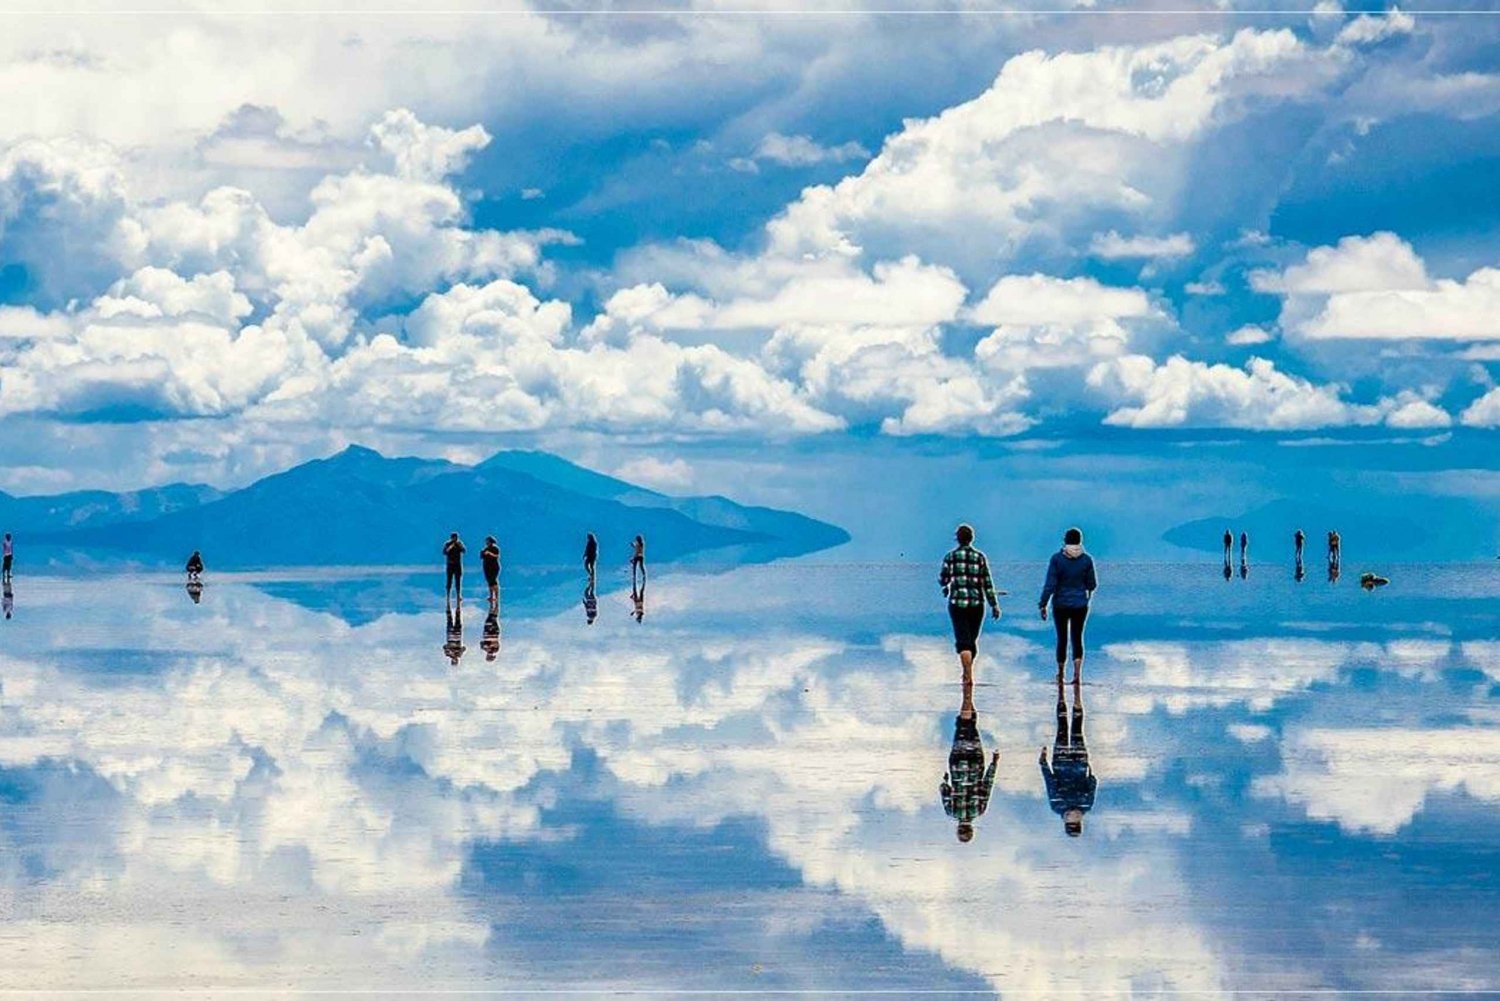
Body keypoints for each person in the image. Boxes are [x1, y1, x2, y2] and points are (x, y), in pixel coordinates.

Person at [939, 523, 1001, 686]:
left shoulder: (950, 557)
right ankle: (968, 673)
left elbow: (943, 579)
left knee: (963, 640)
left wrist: (946, 584)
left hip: (957, 603)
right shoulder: (980, 557)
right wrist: (994, 604)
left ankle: (967, 674)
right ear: (971, 539)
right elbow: (987, 583)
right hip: (976, 605)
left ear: (957, 539)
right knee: (971, 641)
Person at [941, 677, 998, 844]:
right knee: (963, 727)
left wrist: (994, 764)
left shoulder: (978, 810)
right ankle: (967, 694)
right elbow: (944, 790)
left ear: (971, 828)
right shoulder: (951, 811)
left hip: (975, 763)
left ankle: (968, 694)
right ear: (959, 828)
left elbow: (987, 785)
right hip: (957, 764)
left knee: (970, 727)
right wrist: (945, 781)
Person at [1040, 675, 1096, 837]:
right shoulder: (1081, 805)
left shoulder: (1065, 806)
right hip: (1066, 763)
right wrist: (1043, 764)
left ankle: (1067, 697)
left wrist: (1044, 764)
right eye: (1075, 820)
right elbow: (1092, 783)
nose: (1073, 816)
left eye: (1072, 820)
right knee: (1069, 729)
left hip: (1069, 763)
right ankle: (1067, 697)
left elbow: (1051, 783)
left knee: (1069, 729)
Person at [1039, 527, 1097, 684]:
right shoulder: (1087, 560)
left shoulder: (1057, 559)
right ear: (1080, 541)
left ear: (1065, 541)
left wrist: (1043, 604)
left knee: (1062, 639)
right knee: (1077, 638)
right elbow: (1092, 584)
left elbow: (1050, 585)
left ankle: (1061, 674)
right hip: (1080, 605)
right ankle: (1077, 675)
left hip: (1060, 605)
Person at [443, 532, 465, 600]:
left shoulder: (459, 543)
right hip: (450, 565)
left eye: (456, 538)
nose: (455, 539)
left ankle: (458, 595)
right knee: (449, 581)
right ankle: (448, 595)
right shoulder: (447, 544)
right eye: (454, 538)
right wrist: (450, 547)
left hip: (457, 565)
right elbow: (444, 552)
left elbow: (464, 550)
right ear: (451, 538)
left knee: (458, 581)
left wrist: (459, 545)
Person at [443, 598, 466, 665]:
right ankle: (458, 604)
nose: (454, 659)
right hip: (458, 634)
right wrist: (458, 650)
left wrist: (450, 650)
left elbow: (444, 646)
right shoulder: (459, 654)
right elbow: (464, 648)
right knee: (458, 617)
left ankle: (448, 604)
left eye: (453, 661)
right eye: (455, 661)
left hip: (450, 635)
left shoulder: (447, 654)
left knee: (449, 618)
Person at [480, 536, 501, 603]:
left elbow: (497, 556)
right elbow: (481, 557)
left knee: (494, 580)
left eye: (488, 541)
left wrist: (490, 554)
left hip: (494, 567)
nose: (487, 542)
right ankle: (491, 596)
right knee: (489, 582)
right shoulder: (485, 549)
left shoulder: (495, 548)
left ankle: (497, 596)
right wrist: (483, 553)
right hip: (487, 567)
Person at [481, 596, 500, 662]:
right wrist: (489, 645)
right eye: (490, 656)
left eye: (488, 656)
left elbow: (481, 642)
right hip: (494, 633)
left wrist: (487, 646)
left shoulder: (484, 648)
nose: (490, 654)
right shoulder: (496, 649)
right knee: (494, 617)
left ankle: (492, 603)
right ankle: (496, 603)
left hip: (487, 632)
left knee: (490, 617)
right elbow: (496, 643)